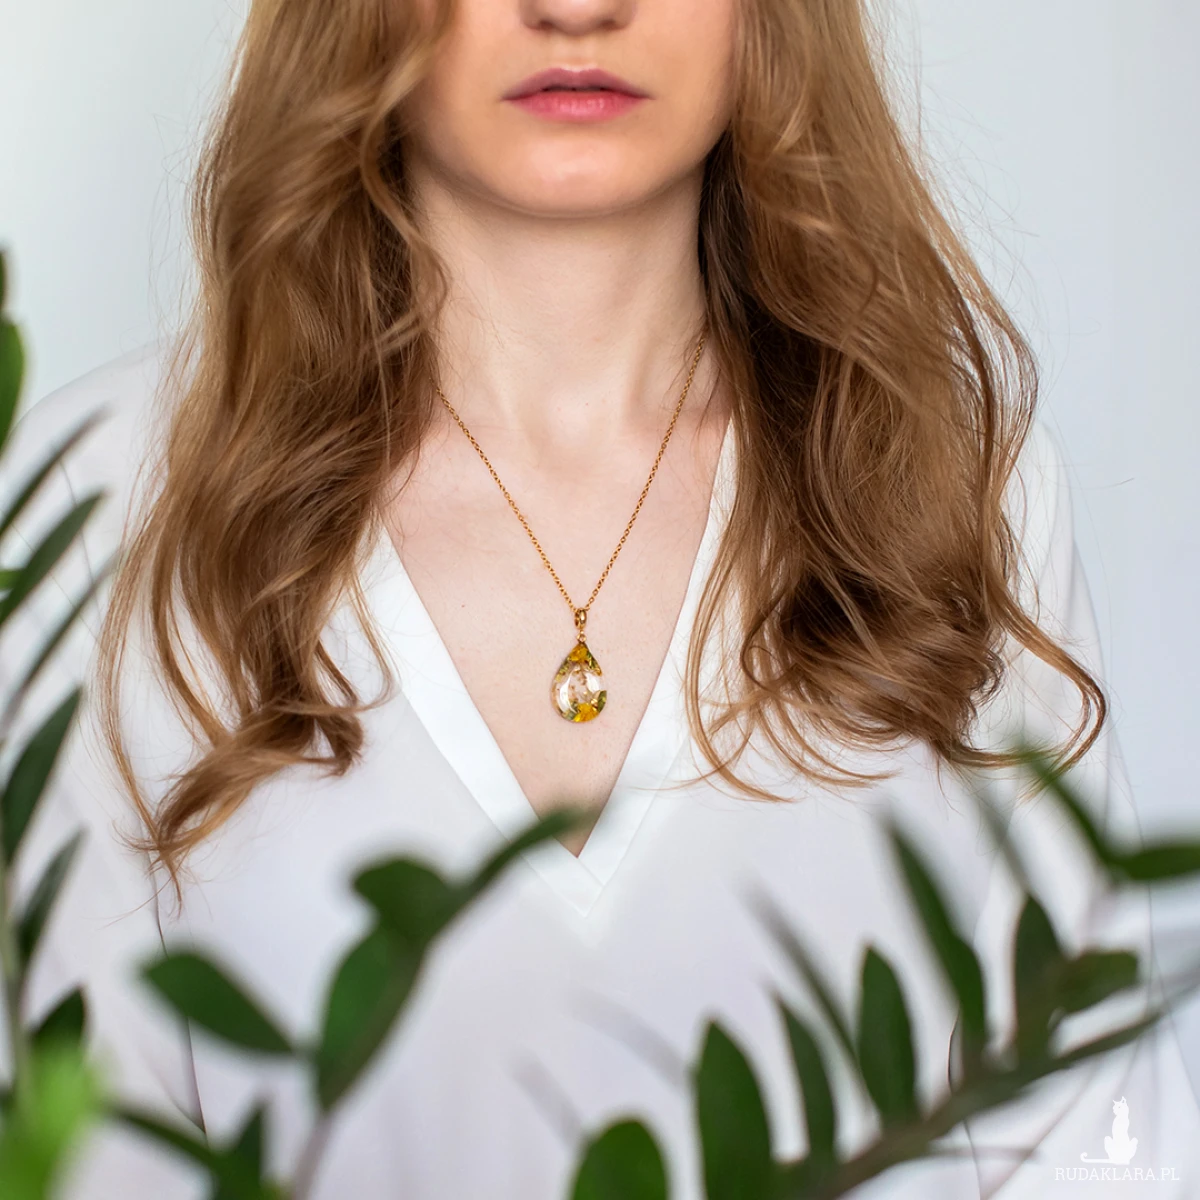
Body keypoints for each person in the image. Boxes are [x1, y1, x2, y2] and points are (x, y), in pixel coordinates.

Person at [4, 0, 1198, 1194]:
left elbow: (1095, 1146)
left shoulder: (950, 490)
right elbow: (74, 1155)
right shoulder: (101, 504)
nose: (577, 10)